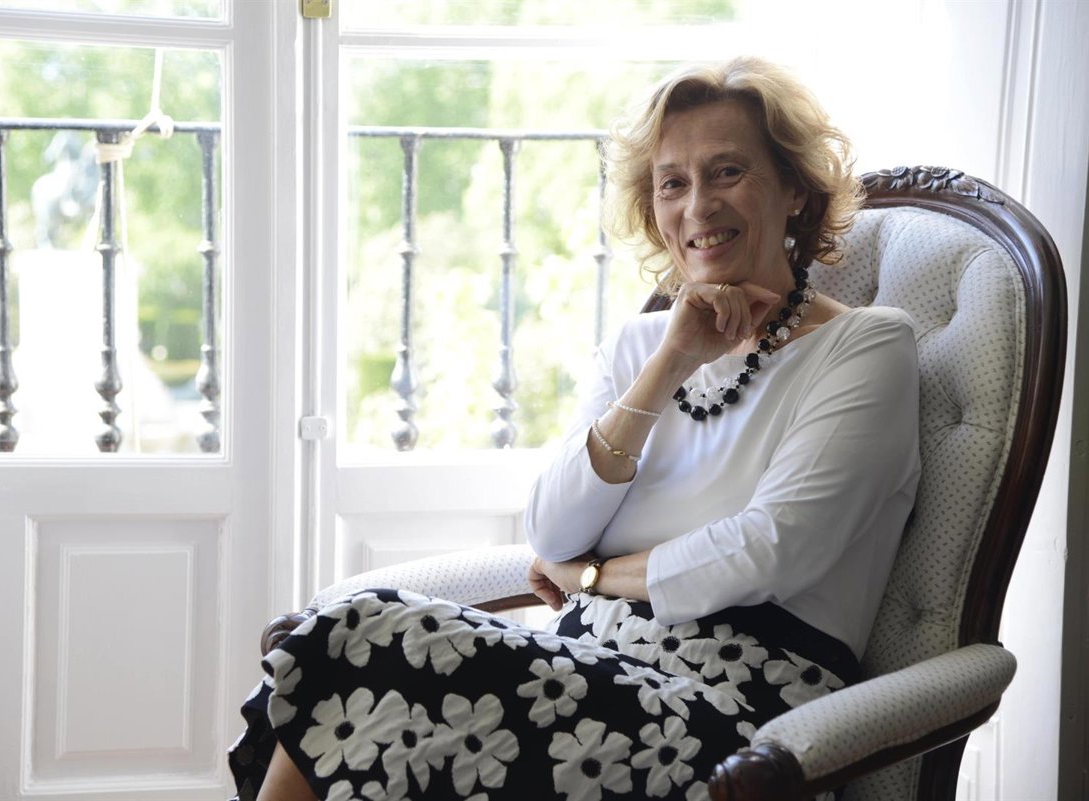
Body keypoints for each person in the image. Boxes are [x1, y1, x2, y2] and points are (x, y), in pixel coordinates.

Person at [228, 56, 921, 801]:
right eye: (672, 183)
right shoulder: (641, 347)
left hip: (739, 716)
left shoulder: (867, 345)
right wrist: (670, 363)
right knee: (353, 647)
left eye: (727, 172)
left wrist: (591, 577)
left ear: (794, 189)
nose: (698, 205)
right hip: (586, 674)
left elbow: (769, 551)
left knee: (359, 640)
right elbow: (553, 529)